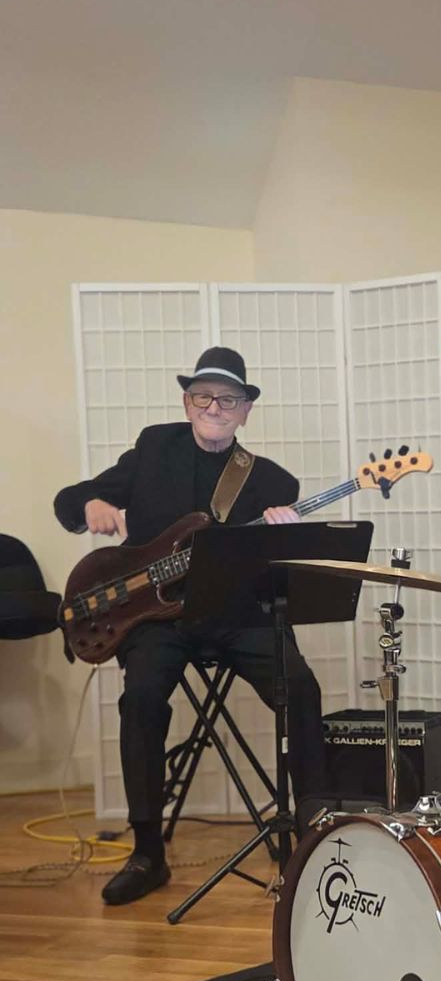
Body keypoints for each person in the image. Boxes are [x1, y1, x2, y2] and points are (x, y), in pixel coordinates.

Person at [52, 346, 325, 906]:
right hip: (158, 619)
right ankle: (147, 852)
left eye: (228, 399)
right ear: (187, 403)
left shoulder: (273, 482)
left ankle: (312, 832)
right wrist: (92, 505)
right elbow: (69, 499)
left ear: (246, 410)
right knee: (141, 699)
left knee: (301, 687)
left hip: (237, 616)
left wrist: (285, 532)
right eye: (203, 396)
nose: (214, 407)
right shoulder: (155, 449)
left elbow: (280, 566)